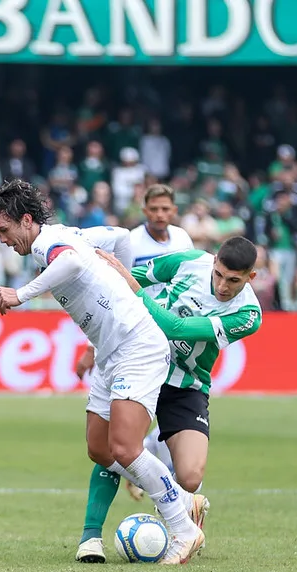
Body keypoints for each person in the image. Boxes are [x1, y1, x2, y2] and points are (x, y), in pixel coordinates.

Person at [0, 179, 205, 565]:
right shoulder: (66, 233)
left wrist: (22, 294)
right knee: (99, 449)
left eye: (4, 230)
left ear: (26, 220)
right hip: (108, 352)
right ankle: (180, 497)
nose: (1, 239)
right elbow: (118, 237)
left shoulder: (53, 245)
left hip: (138, 345)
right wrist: (121, 280)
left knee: (126, 448)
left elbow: (73, 261)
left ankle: (183, 528)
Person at [77, 237, 263, 563]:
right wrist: (96, 341)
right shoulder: (188, 261)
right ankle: (91, 537)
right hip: (140, 364)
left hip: (185, 383)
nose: (222, 285)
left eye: (233, 280)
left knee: (190, 476)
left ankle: (151, 462)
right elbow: (124, 280)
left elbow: (174, 326)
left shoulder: (247, 314)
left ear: (251, 277)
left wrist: (132, 286)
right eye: (218, 274)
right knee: (107, 447)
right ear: (213, 260)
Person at [75, 185, 194, 508]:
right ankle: (148, 470)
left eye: (166, 209)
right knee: (124, 424)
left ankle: (146, 463)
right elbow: (108, 294)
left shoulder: (183, 241)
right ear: (144, 210)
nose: (160, 215)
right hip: (131, 337)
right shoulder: (130, 242)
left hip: (170, 335)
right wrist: (90, 347)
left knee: (168, 407)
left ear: (174, 210)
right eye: (154, 209)